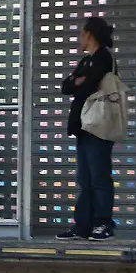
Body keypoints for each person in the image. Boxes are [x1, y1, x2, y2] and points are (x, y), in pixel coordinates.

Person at [57, 17, 118, 241]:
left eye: (82, 34)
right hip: (84, 126)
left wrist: (80, 82)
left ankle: (103, 223)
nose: (80, 39)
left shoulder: (103, 58)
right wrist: (77, 81)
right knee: (85, 177)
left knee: (99, 175)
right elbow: (66, 86)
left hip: (98, 126)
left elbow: (90, 85)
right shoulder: (86, 61)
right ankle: (83, 224)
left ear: (90, 35)